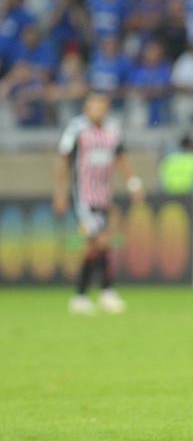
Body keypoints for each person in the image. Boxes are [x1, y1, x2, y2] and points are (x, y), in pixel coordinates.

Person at [53, 92, 145, 315]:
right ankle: (98, 293)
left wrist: (133, 183)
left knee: (101, 245)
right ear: (86, 108)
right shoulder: (76, 129)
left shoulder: (113, 130)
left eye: (102, 106)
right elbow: (63, 159)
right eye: (93, 106)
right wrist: (60, 193)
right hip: (82, 198)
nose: (98, 110)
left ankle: (86, 296)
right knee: (99, 241)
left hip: (104, 197)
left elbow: (122, 158)